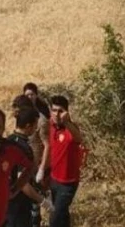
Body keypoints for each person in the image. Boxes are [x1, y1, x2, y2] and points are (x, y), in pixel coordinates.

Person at [38, 96, 87, 227]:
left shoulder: (70, 128)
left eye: (60, 111)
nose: (56, 114)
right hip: (54, 179)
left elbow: (78, 139)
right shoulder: (50, 125)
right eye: (54, 110)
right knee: (62, 214)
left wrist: (67, 123)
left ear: (66, 112)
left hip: (68, 183)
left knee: (55, 217)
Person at [5, 106, 54, 227]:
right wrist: (42, 201)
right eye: (35, 124)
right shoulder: (22, 148)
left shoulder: (8, 141)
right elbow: (23, 184)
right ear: (28, 126)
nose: (36, 128)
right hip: (18, 204)